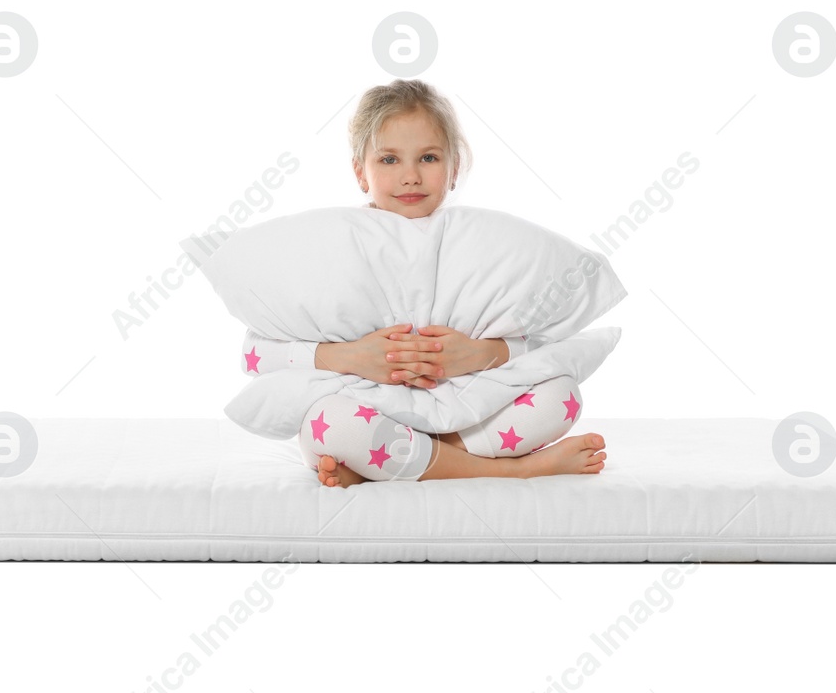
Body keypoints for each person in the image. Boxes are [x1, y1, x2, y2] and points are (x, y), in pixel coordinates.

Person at [240, 79, 607, 487]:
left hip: (468, 407)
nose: (411, 176)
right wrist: (351, 357)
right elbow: (257, 355)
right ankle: (512, 469)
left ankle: (399, 461)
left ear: (454, 169)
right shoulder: (334, 248)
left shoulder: (484, 244)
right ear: (361, 171)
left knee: (561, 394)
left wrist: (482, 353)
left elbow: (546, 343)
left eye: (429, 158)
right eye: (389, 160)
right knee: (325, 425)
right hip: (365, 407)